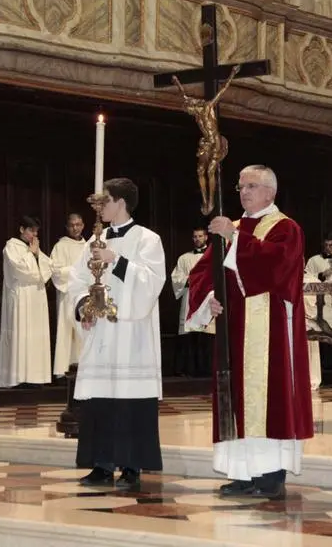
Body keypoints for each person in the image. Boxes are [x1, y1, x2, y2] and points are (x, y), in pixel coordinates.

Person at [187, 164, 313, 499]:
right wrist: (210, 299)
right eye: (240, 186)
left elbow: (277, 267)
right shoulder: (235, 227)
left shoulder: (286, 228)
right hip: (233, 329)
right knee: (236, 399)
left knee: (268, 397)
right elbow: (202, 272)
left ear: (270, 191)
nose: (244, 192)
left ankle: (271, 476)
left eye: (252, 186)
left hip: (269, 328)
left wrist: (235, 238)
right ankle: (241, 472)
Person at [69, 178, 165, 490]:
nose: (99, 208)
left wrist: (117, 260)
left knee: (129, 401)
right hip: (102, 334)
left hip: (132, 336)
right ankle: (101, 464)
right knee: (101, 400)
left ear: (121, 202)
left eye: (104, 201)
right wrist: (84, 305)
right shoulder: (92, 242)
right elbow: (77, 279)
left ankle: (132, 466)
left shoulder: (148, 239)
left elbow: (152, 284)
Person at [0, 215, 53, 388]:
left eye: (36, 231)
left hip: (36, 297)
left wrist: (36, 254)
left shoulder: (32, 247)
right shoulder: (11, 246)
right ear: (21, 229)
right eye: (30, 230)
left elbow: (48, 267)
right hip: (21, 296)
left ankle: (36, 377)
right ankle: (17, 378)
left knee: (36, 335)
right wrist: (32, 254)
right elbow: (22, 271)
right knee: (21, 334)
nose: (34, 234)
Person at [305, 237, 332, 384]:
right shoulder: (313, 260)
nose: (329, 247)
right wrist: (322, 274)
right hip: (320, 303)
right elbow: (309, 278)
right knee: (322, 335)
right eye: (326, 245)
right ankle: (324, 370)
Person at [170, 227, 213, 378]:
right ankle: (186, 369)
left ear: (206, 237)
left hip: (208, 299)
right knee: (188, 333)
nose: (197, 239)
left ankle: (207, 369)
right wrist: (192, 280)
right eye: (195, 236)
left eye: (200, 236)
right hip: (189, 299)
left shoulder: (214, 256)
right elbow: (177, 278)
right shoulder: (184, 258)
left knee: (207, 332)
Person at [50, 213, 88, 377]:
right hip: (68, 294)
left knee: (84, 330)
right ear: (67, 227)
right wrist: (76, 271)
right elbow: (56, 271)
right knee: (67, 330)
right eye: (72, 225)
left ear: (83, 225)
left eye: (78, 224)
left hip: (86, 294)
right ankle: (64, 368)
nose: (75, 228)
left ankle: (84, 365)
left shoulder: (88, 245)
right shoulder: (61, 246)